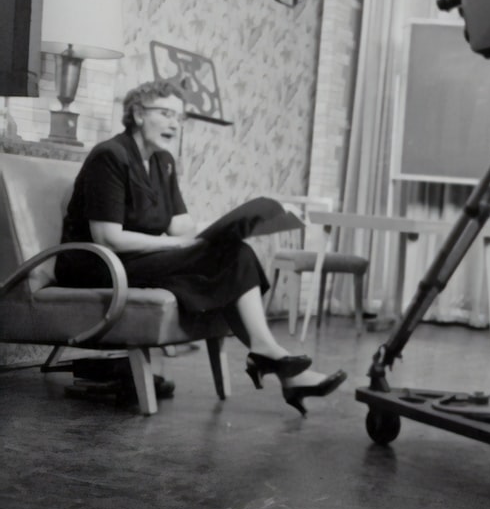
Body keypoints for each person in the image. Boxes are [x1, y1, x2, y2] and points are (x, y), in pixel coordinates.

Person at [55, 80, 346, 416]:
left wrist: (234, 224)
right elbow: (108, 237)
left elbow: (181, 225)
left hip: (139, 260)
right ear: (137, 114)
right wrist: (177, 244)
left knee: (234, 250)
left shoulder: (163, 161)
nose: (174, 124)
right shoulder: (110, 155)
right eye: (165, 114)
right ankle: (272, 359)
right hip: (98, 266)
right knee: (233, 257)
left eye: (179, 117)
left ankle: (277, 363)